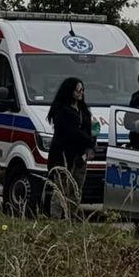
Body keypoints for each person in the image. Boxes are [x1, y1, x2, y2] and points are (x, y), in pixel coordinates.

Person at [47, 77, 96, 219]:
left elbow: (89, 130)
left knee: (76, 188)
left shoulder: (83, 110)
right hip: (63, 155)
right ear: (69, 91)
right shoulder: (61, 111)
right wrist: (90, 142)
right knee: (61, 188)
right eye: (77, 90)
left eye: (82, 89)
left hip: (80, 156)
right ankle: (56, 218)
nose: (81, 93)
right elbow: (72, 132)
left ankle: (71, 217)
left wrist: (91, 146)